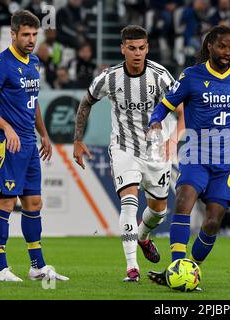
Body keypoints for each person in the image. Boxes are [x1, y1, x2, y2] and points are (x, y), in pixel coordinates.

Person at [146, 25, 230, 288]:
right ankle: (175, 267)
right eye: (222, 47)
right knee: (184, 201)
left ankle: (190, 270)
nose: (227, 53)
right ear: (209, 45)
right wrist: (155, 121)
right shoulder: (191, 76)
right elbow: (165, 104)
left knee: (211, 222)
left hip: (228, 158)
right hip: (196, 152)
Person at [73, 25, 182, 282]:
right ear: (122, 49)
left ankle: (143, 237)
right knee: (129, 203)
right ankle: (132, 268)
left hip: (157, 150)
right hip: (124, 147)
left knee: (158, 211)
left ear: (147, 48)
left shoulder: (160, 75)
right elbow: (86, 101)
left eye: (141, 48)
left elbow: (181, 105)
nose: (137, 53)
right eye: (131, 48)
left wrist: (176, 138)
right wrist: (77, 140)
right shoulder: (109, 78)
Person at [0, 10, 69, 282]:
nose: (30, 40)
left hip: (28, 141)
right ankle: (0, 268)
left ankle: (37, 266)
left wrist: (44, 134)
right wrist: (6, 127)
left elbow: (34, 100)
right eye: (25, 34)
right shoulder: (2, 63)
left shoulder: (34, 62)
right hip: (6, 142)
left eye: (34, 34)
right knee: (5, 201)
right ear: (13, 34)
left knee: (33, 202)